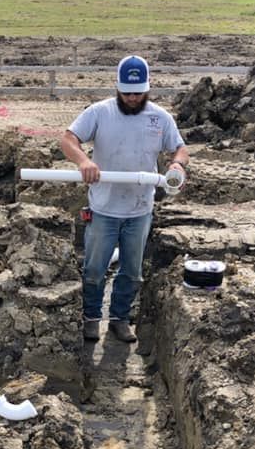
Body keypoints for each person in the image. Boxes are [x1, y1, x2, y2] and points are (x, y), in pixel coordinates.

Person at [61, 54, 189, 342]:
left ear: (147, 89)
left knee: (132, 271)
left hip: (139, 209)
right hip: (104, 208)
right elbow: (68, 139)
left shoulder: (160, 117)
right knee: (94, 269)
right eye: (127, 93)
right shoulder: (99, 113)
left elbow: (179, 148)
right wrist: (83, 162)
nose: (132, 98)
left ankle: (119, 319)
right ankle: (91, 318)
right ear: (117, 88)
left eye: (138, 93)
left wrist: (177, 164)